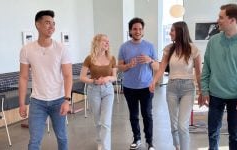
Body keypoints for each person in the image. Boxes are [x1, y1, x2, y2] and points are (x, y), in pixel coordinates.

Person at [201, 4, 237, 150]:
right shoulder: (213, 41)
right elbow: (206, 67)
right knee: (213, 133)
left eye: (221, 17)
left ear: (232, 20)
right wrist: (205, 90)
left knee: (235, 135)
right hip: (215, 95)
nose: (217, 20)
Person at [19, 10, 72, 150]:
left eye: (53, 24)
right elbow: (23, 77)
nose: (52, 27)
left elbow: (68, 76)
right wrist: (21, 103)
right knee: (34, 141)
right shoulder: (26, 49)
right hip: (37, 102)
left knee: (62, 137)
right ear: (38, 25)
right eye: (47, 23)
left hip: (59, 100)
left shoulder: (61, 48)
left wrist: (67, 100)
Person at [149, 21, 202, 150]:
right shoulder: (169, 49)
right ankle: (177, 146)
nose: (170, 33)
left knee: (182, 125)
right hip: (172, 88)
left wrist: (202, 92)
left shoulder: (193, 49)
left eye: (172, 30)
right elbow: (161, 68)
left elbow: (199, 73)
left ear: (180, 32)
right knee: (173, 124)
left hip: (188, 88)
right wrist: (154, 81)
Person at [118, 17, 159, 150]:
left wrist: (150, 60)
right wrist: (129, 65)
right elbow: (120, 67)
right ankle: (137, 138)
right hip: (129, 87)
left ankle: (150, 142)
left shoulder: (150, 46)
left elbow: (158, 67)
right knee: (133, 115)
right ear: (130, 30)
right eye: (135, 29)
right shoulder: (124, 47)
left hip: (146, 87)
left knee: (147, 114)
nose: (137, 31)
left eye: (140, 29)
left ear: (143, 31)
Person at [80, 34, 117, 150]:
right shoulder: (89, 58)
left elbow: (115, 77)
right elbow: (82, 77)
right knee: (98, 120)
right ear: (97, 42)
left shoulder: (112, 58)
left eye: (108, 41)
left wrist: (107, 79)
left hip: (108, 90)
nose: (107, 43)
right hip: (93, 90)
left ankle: (106, 147)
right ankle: (100, 140)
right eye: (104, 41)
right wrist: (94, 81)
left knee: (106, 121)